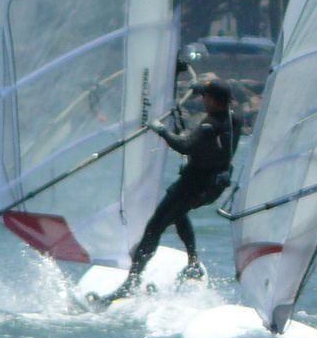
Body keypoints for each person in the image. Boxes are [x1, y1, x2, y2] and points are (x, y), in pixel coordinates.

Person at [102, 76, 238, 302]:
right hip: (212, 186)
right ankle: (193, 262)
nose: (202, 100)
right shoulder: (234, 119)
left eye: (205, 96)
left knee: (154, 228)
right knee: (178, 214)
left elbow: (184, 146)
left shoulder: (209, 125)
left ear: (214, 100)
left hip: (192, 186)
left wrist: (162, 130)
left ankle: (131, 282)